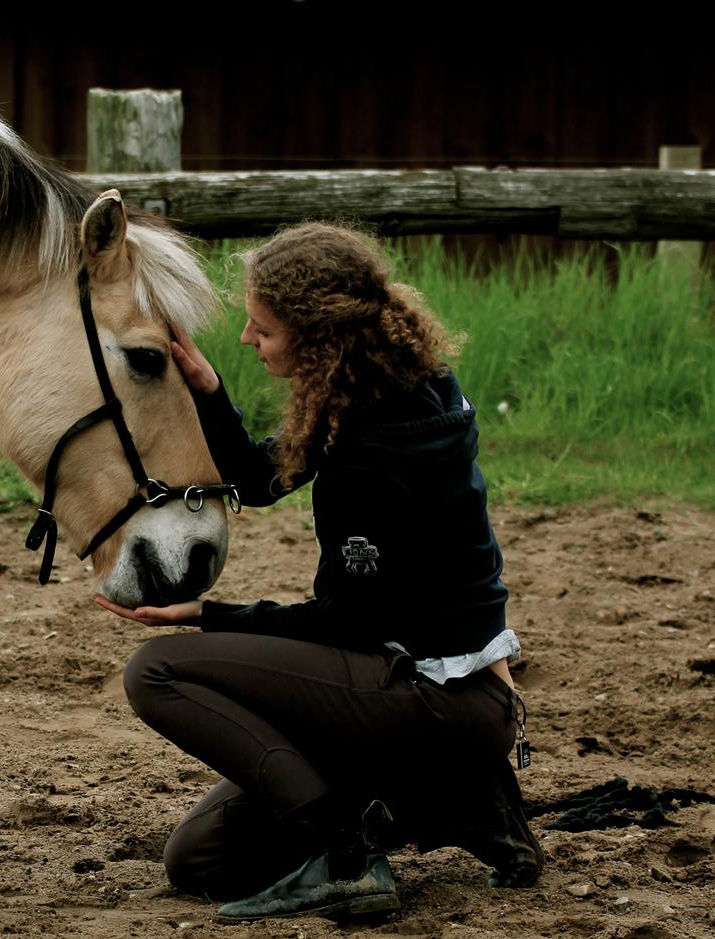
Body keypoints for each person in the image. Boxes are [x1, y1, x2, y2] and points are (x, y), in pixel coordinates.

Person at [94, 223, 544, 922]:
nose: (248, 338)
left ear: (318, 336)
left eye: (263, 328)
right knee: (200, 858)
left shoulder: (374, 452)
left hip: (434, 698)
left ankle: (347, 852)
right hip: (441, 696)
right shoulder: (390, 387)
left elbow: (343, 623)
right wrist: (209, 391)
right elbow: (262, 476)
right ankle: (462, 801)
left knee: (156, 670)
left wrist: (211, 616)